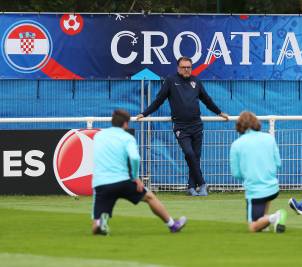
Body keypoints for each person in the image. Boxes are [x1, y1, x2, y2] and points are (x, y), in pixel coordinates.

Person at [136, 56, 229, 196]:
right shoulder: (170, 81)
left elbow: (207, 100)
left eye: (189, 67)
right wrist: (144, 113)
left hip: (197, 125)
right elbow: (159, 100)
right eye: (183, 67)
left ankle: (191, 187)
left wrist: (219, 112)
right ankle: (202, 183)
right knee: (189, 153)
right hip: (181, 126)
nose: (186, 70)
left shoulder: (196, 81)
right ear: (178, 68)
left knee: (196, 156)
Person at [92, 109, 186, 235]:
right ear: (125, 124)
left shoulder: (99, 135)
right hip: (122, 181)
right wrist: (136, 177)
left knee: (97, 217)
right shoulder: (127, 137)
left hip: (101, 183)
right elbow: (135, 157)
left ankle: (99, 224)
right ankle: (172, 225)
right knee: (150, 197)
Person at [230, 111, 287, 233]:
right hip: (273, 188)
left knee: (252, 227)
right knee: (261, 217)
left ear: (240, 126)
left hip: (255, 191)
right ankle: (266, 222)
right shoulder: (269, 138)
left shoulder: (237, 144)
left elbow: (236, 173)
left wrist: (248, 176)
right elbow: (278, 163)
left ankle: (276, 216)